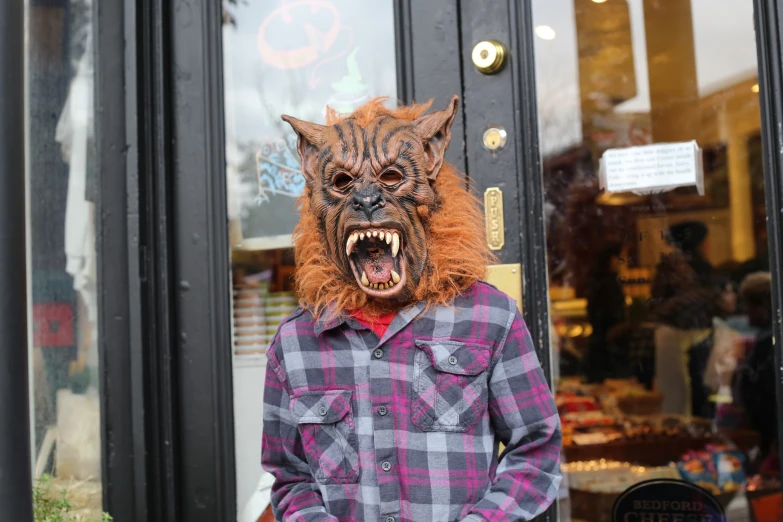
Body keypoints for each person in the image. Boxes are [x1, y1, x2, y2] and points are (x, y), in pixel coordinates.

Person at [261, 97, 561, 522]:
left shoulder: (491, 318)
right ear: (314, 175)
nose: (366, 197)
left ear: (432, 158)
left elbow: (536, 449)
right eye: (344, 182)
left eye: (392, 176)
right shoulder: (294, 344)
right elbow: (290, 477)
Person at [736, 272, 777, 473]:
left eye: (747, 305)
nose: (744, 312)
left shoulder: (768, 341)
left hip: (769, 434)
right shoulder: (769, 336)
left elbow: (765, 393)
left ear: (762, 305)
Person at [585, 242, 626, 382]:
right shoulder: (608, 284)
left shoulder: (598, 281)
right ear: (612, 259)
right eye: (620, 258)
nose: (622, 263)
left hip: (601, 345)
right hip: (608, 347)